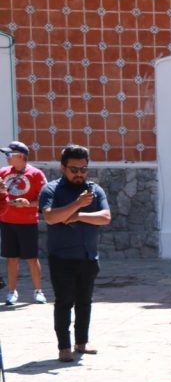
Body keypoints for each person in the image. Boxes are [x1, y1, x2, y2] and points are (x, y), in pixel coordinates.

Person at [38, 145, 112, 362]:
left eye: (83, 169)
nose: (79, 174)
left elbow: (106, 217)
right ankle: (64, 347)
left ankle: (82, 342)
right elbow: (51, 217)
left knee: (84, 302)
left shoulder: (95, 190)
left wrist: (78, 215)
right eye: (74, 169)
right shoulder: (51, 190)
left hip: (88, 257)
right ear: (63, 167)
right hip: (62, 259)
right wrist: (77, 204)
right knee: (64, 302)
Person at [0, 141, 47, 305]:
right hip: (7, 221)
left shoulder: (36, 174)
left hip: (27, 223)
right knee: (11, 258)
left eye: (9, 154)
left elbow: (45, 200)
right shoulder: (3, 172)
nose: (6, 158)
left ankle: (38, 291)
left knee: (32, 258)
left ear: (20, 156)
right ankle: (12, 292)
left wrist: (28, 204)